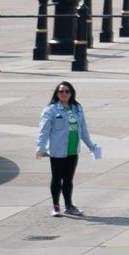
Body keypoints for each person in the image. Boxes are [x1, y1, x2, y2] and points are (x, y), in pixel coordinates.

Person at [33, 80, 101, 218]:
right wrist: (40, 148)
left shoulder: (77, 108)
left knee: (68, 179)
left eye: (67, 91)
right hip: (57, 150)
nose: (64, 94)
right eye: (61, 91)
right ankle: (56, 206)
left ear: (72, 93)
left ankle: (69, 205)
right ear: (57, 94)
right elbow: (44, 130)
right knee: (57, 178)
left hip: (72, 149)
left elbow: (83, 129)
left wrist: (91, 146)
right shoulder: (51, 110)